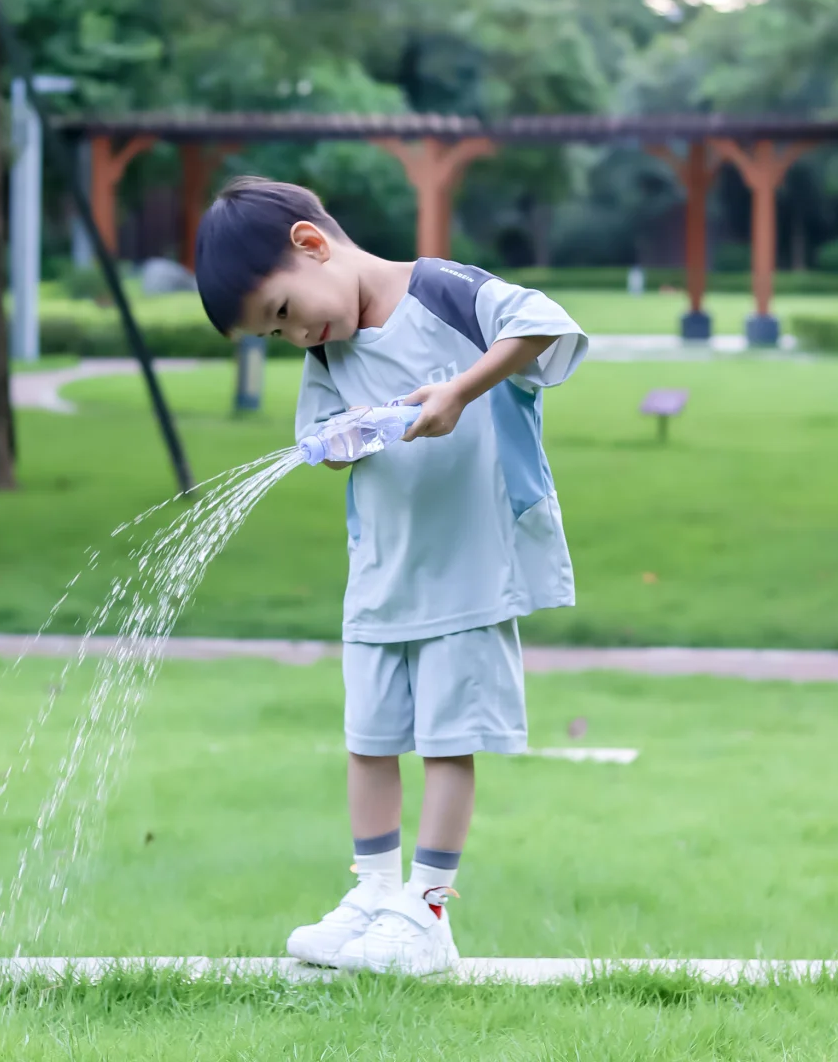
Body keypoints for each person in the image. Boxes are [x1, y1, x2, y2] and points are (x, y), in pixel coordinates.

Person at [195, 176, 587, 975]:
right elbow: (318, 433)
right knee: (369, 737)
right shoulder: (331, 348)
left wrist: (460, 388)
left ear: (312, 245)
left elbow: (545, 324)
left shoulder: (441, 290)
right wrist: (351, 433)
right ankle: (374, 894)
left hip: (470, 567)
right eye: (276, 338)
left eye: (282, 313)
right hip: (382, 571)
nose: (297, 337)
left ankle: (426, 911)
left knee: (448, 740)